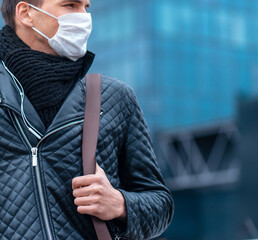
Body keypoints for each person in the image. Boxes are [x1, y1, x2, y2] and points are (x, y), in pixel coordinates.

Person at [0, 0, 174, 239]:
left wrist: (121, 205)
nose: (83, 18)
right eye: (70, 5)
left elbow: (160, 203)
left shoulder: (115, 97)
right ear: (26, 14)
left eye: (86, 7)